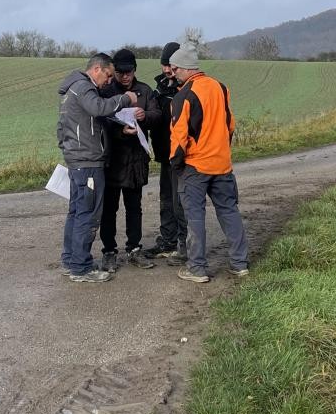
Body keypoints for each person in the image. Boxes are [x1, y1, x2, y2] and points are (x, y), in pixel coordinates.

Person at [167, 45, 250, 283]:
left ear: (184, 68)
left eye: (174, 69)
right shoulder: (220, 87)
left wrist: (176, 164)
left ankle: (197, 268)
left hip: (196, 166)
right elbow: (230, 124)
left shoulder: (183, 95)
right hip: (222, 164)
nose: (172, 74)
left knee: (194, 217)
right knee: (229, 212)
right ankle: (239, 264)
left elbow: (179, 136)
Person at [57, 52, 139, 283]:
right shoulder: (84, 88)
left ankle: (71, 259)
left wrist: (69, 152)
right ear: (97, 69)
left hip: (78, 160)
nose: (110, 81)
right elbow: (99, 108)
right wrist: (126, 99)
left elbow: (61, 129)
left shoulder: (72, 88)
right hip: (88, 162)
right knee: (88, 214)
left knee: (76, 212)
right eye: (109, 75)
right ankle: (81, 268)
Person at [99, 48, 160, 271]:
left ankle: (134, 249)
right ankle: (109, 251)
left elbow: (157, 115)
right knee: (109, 209)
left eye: (129, 72)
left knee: (135, 208)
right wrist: (120, 132)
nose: (125, 76)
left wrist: (145, 117)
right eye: (121, 72)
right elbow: (101, 123)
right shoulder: (106, 92)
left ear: (135, 70)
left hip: (136, 161)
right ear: (114, 71)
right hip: (113, 161)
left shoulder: (145, 91)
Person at [142, 42, 188, 263]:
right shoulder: (159, 88)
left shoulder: (187, 87)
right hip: (164, 153)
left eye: (171, 65)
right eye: (164, 65)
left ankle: (184, 245)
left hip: (182, 155)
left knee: (182, 202)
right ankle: (168, 241)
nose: (168, 70)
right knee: (166, 199)